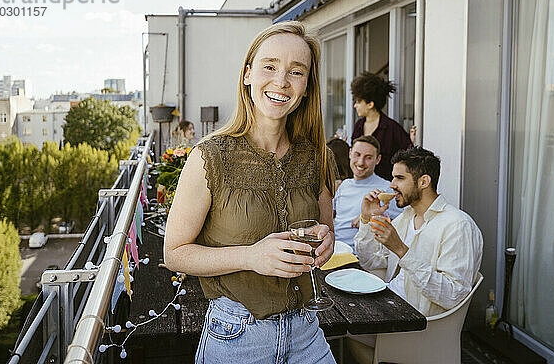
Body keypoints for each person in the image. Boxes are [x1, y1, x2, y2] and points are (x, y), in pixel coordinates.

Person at [164, 21, 338, 364]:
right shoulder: (210, 156)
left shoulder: (319, 156)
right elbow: (174, 254)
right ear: (248, 75)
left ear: (306, 87)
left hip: (307, 334)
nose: (282, 81)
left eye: (296, 72)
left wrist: (326, 240)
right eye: (269, 66)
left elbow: (325, 233)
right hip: (236, 336)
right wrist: (251, 256)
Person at [355, 146, 483, 316]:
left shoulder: (458, 225)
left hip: (415, 320)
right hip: (389, 302)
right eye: (393, 178)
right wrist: (366, 219)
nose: (392, 185)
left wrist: (401, 250)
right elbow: (370, 262)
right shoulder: (406, 218)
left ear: (423, 182)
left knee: (345, 330)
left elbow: (453, 295)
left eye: (399, 178)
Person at [333, 135, 401, 251]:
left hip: (361, 257)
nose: (361, 162)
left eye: (368, 157)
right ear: (350, 153)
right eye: (357, 155)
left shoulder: (387, 189)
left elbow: (404, 223)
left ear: (378, 160)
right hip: (336, 251)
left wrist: (368, 219)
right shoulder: (344, 185)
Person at [350, 72, 414, 181]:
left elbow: (409, 157)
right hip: (360, 185)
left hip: (384, 190)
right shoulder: (358, 126)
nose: (355, 105)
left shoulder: (392, 128)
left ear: (370, 104)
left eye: (358, 102)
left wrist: (412, 141)